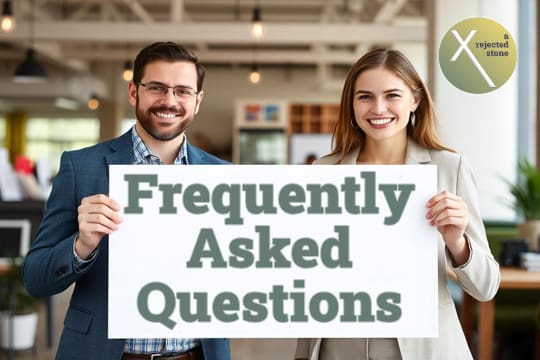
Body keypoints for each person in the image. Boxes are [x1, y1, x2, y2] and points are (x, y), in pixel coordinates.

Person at [22, 42, 230, 360]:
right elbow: (36, 279)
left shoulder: (223, 178)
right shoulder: (81, 168)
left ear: (197, 100)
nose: (169, 101)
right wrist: (81, 245)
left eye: (183, 91)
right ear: (134, 92)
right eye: (157, 88)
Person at [294, 48, 500, 360]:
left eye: (392, 95)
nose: (378, 108)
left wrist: (456, 241)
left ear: (415, 100)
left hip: (425, 348)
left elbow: (485, 287)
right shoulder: (324, 172)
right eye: (365, 97)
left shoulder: (449, 168)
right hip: (340, 345)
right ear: (351, 104)